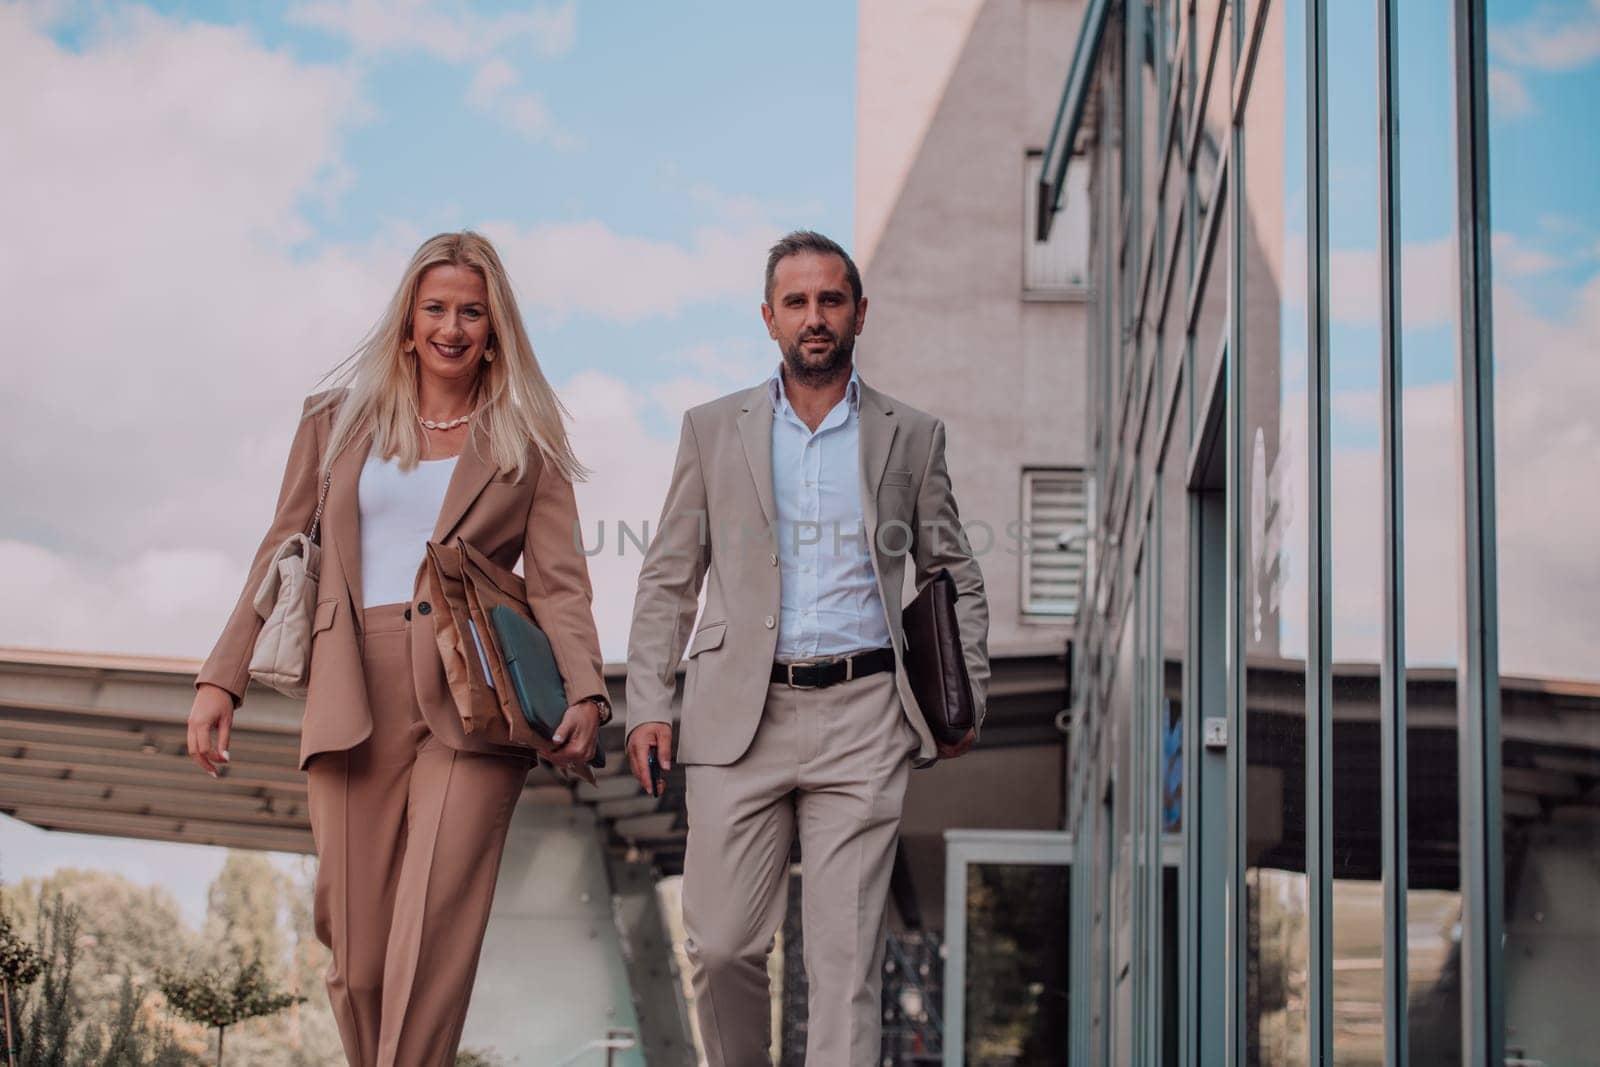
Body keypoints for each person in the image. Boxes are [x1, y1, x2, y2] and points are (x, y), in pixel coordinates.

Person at [187, 231, 610, 1066]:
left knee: (435, 934)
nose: (453, 327)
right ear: (409, 322)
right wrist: (220, 678)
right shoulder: (334, 421)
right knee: (359, 954)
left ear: (496, 328)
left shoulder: (528, 435)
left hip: (474, 694)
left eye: (472, 312)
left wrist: (586, 689)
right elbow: (280, 552)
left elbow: (561, 582)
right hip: (354, 685)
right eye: (437, 309)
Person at [625, 230, 990, 1065]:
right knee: (720, 946)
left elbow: (954, 570)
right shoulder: (712, 429)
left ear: (861, 312)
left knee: (844, 965)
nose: (815, 317)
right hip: (734, 719)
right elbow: (668, 580)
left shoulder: (913, 433)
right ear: (768, 317)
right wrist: (649, 702)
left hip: (865, 719)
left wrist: (969, 687)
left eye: (831, 300)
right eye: (797, 302)